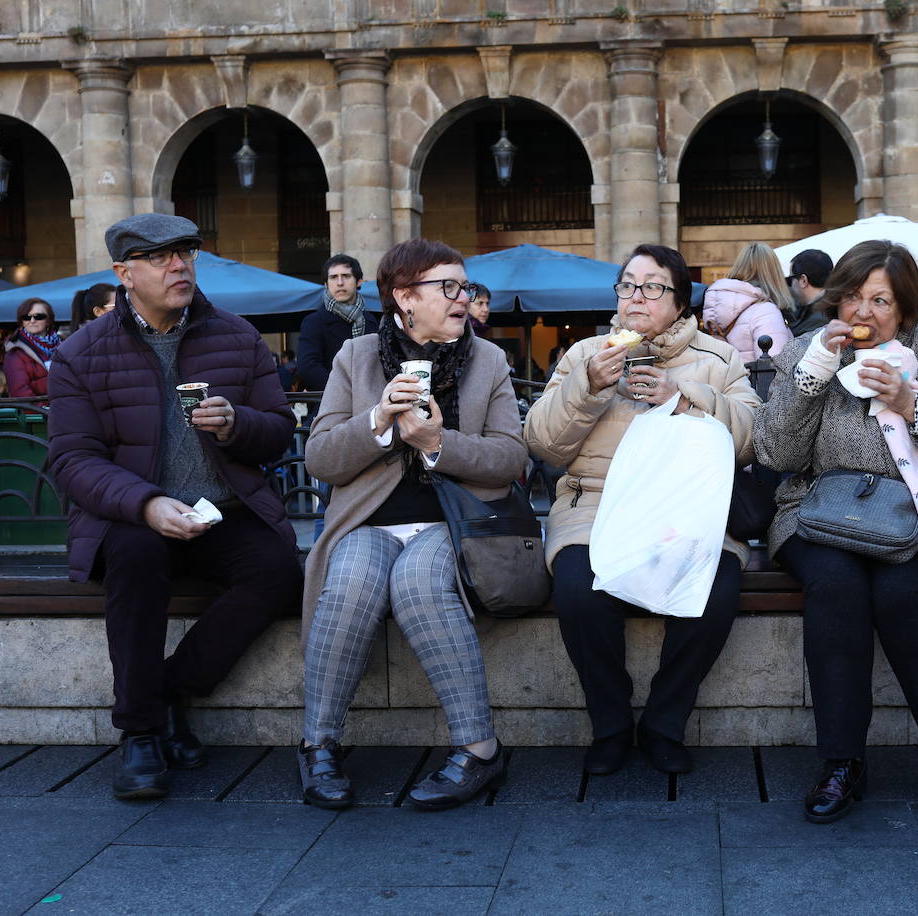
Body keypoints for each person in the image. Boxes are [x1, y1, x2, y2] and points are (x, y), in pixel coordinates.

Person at [47, 213, 302, 801]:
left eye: (185, 253)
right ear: (124, 274)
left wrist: (239, 424)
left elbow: (279, 431)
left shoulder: (236, 336)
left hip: (222, 512)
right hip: (130, 517)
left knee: (279, 571)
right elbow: (73, 460)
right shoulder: (82, 353)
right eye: (160, 258)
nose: (179, 265)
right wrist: (146, 503)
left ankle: (165, 693)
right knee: (135, 560)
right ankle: (139, 731)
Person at [753, 240, 918, 824]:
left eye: (879, 301)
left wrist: (912, 404)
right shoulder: (808, 351)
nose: (861, 313)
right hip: (820, 509)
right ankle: (841, 763)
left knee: (903, 593)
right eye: (851, 298)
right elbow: (775, 452)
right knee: (835, 588)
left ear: (906, 307)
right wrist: (811, 377)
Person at [297, 238, 525, 811]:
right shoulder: (356, 358)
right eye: (447, 287)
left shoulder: (488, 360)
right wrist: (379, 420)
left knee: (419, 581)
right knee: (348, 580)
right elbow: (321, 459)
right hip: (367, 523)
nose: (462, 298)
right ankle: (317, 744)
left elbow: (509, 460)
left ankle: (479, 749)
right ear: (404, 297)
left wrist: (436, 443)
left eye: (465, 287)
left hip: (453, 525)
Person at [524, 243, 760, 776]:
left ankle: (663, 724)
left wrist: (684, 397)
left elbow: (752, 442)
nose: (637, 297)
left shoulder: (719, 358)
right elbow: (542, 445)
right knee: (580, 592)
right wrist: (587, 389)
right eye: (628, 285)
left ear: (679, 302)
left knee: (714, 592)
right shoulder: (586, 354)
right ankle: (609, 726)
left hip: (688, 509)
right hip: (597, 504)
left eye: (653, 287)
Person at [297, 254, 380, 394]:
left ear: (359, 281)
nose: (340, 283)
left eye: (346, 276)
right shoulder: (314, 321)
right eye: (333, 277)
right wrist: (344, 393)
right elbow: (308, 368)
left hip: (370, 403)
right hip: (329, 402)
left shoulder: (372, 321)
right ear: (326, 284)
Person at [701, 241, 794, 363]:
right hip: (752, 382)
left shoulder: (718, 305)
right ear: (774, 273)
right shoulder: (765, 311)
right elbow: (775, 369)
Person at [3, 298, 60, 399]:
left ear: (48, 320)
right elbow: (20, 392)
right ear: (22, 321)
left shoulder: (64, 345)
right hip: (39, 412)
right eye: (26, 317)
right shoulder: (15, 351)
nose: (32, 321)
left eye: (39, 316)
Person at [786, 248, 833, 336]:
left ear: (803, 280)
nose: (790, 285)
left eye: (790, 280)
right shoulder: (830, 306)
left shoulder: (820, 319)